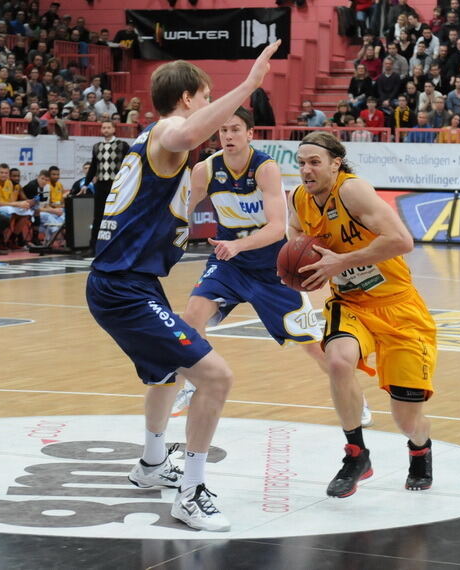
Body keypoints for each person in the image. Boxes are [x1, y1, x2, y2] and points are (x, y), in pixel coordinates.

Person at [86, 41, 281, 532]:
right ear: (191, 97)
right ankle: (190, 493)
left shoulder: (160, 142)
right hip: (122, 287)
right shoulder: (171, 131)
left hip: (133, 283)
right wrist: (249, 86)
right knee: (216, 378)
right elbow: (187, 130)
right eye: (208, 96)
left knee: (162, 375)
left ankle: (152, 464)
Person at [169, 108, 374, 427]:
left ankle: (357, 401)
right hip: (228, 264)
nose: (228, 136)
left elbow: (277, 228)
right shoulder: (205, 169)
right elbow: (183, 210)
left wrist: (237, 244)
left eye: (235, 129)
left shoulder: (265, 168)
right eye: (223, 130)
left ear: (250, 134)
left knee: (316, 350)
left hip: (271, 269)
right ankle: (196, 379)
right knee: (191, 317)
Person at [288, 131, 438, 497]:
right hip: (350, 303)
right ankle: (356, 453)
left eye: (314, 162)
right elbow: (293, 236)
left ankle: (420, 448)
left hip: (399, 306)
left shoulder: (352, 191)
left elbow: (402, 241)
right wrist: (301, 263)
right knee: (338, 361)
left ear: (336, 163)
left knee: (406, 418)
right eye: (301, 163)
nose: (306, 170)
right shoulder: (297, 198)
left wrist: (344, 260)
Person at [84, 120, 130, 254]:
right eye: (103, 127)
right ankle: (93, 247)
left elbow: (130, 164)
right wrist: (86, 184)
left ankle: (120, 245)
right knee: (98, 216)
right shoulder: (97, 146)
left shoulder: (122, 145)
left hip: (117, 185)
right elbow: (93, 167)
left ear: (114, 129)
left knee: (119, 215)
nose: (105, 130)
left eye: (108, 127)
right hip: (101, 185)